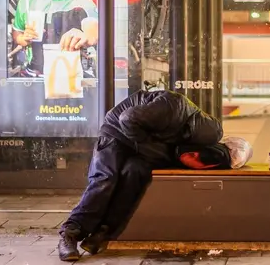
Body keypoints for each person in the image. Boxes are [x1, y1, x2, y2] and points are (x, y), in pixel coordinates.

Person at [58, 89, 223, 261]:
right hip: (116, 132)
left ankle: (102, 231)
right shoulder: (172, 106)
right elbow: (127, 119)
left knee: (134, 174)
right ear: (191, 123)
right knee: (105, 179)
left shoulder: (191, 129)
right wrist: (148, 147)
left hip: (139, 139)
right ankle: (70, 233)